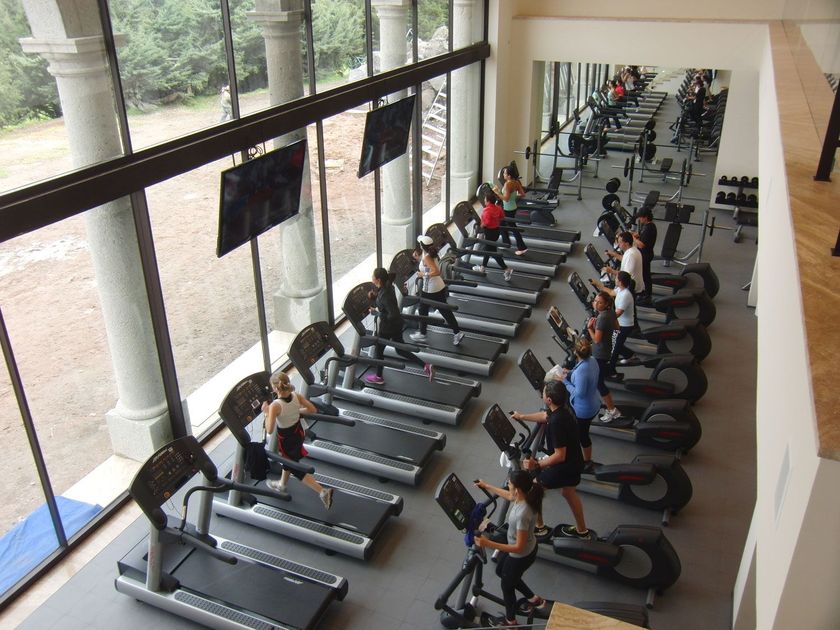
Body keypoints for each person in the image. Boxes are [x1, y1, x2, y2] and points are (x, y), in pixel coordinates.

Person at [511, 380, 590, 540]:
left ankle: (540, 528)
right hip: (576, 461)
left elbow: (560, 455)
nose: (542, 393)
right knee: (568, 492)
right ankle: (582, 531)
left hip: (565, 466)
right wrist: (522, 416)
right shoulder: (564, 409)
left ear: (549, 400)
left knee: (531, 489)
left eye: (544, 392)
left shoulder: (556, 423)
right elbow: (544, 416)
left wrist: (537, 464)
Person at [473, 471, 548, 628]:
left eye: (510, 484)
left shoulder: (522, 514)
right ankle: (534, 600)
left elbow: (518, 547)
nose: (508, 485)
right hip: (526, 548)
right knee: (501, 571)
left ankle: (510, 622)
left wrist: (488, 543)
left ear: (518, 489)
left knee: (507, 587)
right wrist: (486, 485)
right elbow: (509, 495)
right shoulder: (527, 494)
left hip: (521, 555)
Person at [261, 371, 333, 509]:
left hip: (287, 439)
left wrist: (266, 413)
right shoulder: (296, 395)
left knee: (294, 467)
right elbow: (312, 410)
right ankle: (282, 484)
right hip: (298, 433)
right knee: (288, 460)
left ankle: (322, 491)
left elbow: (269, 430)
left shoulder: (275, 405)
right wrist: (296, 411)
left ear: (275, 388)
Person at [367, 267, 435, 383]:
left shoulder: (384, 294)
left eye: (373, 276)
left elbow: (391, 313)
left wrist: (376, 313)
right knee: (401, 350)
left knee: (379, 351)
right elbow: (385, 302)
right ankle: (425, 366)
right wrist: (374, 297)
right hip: (397, 325)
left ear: (378, 280)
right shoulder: (388, 286)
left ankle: (378, 377)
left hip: (388, 328)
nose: (372, 278)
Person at [411, 235, 465, 346]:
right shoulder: (432, 253)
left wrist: (422, 274)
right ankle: (457, 332)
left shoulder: (427, 257)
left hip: (431, 289)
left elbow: (436, 271)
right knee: (443, 310)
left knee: (423, 309)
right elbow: (428, 265)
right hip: (438, 286)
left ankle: (422, 334)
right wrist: (419, 260)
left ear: (422, 246)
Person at [558, 338, 601, 466]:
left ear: (575, 352)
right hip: (594, 402)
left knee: (583, 436)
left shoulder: (581, 372)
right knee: (581, 430)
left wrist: (565, 382)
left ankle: (587, 461)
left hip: (585, 411)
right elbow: (582, 373)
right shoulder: (592, 360)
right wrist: (569, 373)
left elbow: (579, 393)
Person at [588, 291, 620, 421]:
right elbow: (617, 328)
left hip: (600, 354)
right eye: (595, 301)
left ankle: (612, 411)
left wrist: (590, 328)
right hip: (607, 351)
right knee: (598, 378)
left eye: (599, 302)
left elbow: (596, 340)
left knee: (599, 383)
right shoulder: (611, 312)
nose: (596, 304)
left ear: (606, 304)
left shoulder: (602, 318)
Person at [473, 191, 514, 282]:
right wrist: (495, 220)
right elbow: (502, 217)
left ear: (488, 201)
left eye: (485, 199)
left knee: (492, 252)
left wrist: (481, 226)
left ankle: (506, 269)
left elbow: (486, 223)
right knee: (488, 250)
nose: (484, 200)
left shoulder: (486, 210)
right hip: (496, 231)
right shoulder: (498, 208)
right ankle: (483, 268)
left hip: (489, 232)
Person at [493, 166, 528, 255]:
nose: (503, 174)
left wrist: (497, 192)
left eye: (504, 173)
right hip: (513, 207)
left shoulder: (507, 184)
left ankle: (522, 247)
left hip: (507, 209)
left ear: (509, 176)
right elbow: (522, 194)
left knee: (513, 228)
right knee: (502, 224)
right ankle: (506, 243)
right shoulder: (516, 182)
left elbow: (506, 199)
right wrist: (513, 196)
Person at [608, 271, 637, 374]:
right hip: (619, 323)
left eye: (616, 278)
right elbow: (610, 292)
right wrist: (597, 284)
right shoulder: (620, 289)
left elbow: (618, 313)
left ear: (620, 282)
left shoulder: (626, 295)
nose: (615, 279)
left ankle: (611, 371)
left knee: (614, 348)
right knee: (614, 342)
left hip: (625, 325)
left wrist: (604, 318)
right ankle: (629, 355)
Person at [604, 230, 645, 297]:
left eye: (620, 242)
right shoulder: (633, 249)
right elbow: (624, 259)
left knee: (609, 293)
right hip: (634, 283)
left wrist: (611, 271)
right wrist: (613, 254)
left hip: (632, 288)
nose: (618, 244)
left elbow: (625, 277)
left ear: (627, 243)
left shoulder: (631, 255)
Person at [633, 206, 657, 305]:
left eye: (641, 217)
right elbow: (642, 236)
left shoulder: (649, 228)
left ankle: (647, 295)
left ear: (646, 217)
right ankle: (646, 292)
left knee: (645, 276)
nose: (639, 219)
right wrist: (636, 235)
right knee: (645, 275)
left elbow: (642, 245)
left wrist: (633, 239)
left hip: (645, 255)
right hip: (646, 254)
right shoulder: (647, 226)